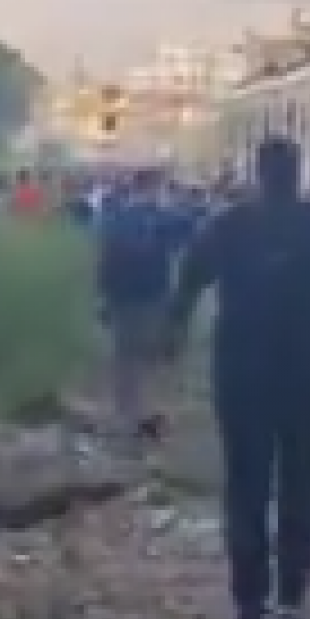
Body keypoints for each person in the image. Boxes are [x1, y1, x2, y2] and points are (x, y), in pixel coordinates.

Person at [171, 133, 310, 619]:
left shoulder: (230, 226)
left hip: (242, 378)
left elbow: (187, 284)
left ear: (258, 171)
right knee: (301, 492)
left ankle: (250, 610)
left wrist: (174, 334)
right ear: (299, 172)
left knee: (246, 492)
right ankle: (291, 601)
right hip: (306, 379)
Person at [93, 171, 179, 435]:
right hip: (152, 293)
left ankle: (127, 413)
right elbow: (174, 252)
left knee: (125, 356)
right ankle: (145, 413)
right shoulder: (164, 218)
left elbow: (106, 258)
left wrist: (103, 295)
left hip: (124, 296)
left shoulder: (116, 217)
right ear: (153, 188)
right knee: (148, 355)